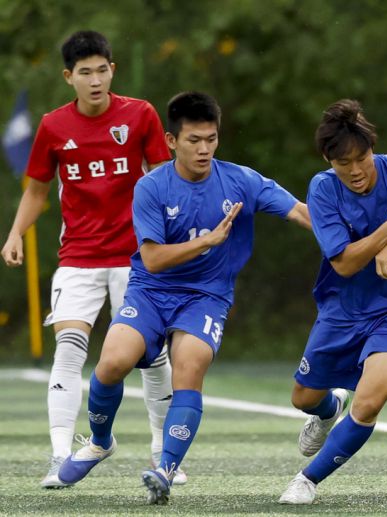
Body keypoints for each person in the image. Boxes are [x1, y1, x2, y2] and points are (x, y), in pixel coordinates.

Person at [56, 91, 311, 505]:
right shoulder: (151, 187)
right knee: (112, 363)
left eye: (211, 138)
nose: (205, 149)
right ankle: (101, 442)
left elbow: (301, 212)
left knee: (189, 368)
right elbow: (153, 259)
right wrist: (208, 241)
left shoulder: (241, 180)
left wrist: (356, 245)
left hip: (206, 297)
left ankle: (166, 470)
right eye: (194, 140)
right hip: (152, 291)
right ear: (172, 142)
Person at [0, 30, 184, 488]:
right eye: (85, 72)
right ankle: (60, 454)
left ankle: (164, 456)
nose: (95, 80)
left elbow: (163, 178)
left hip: (135, 259)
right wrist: (15, 233)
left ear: (112, 70)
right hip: (78, 256)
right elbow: (38, 191)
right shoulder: (53, 126)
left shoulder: (139, 114)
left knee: (150, 355)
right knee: (69, 348)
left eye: (102, 70)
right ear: (69, 77)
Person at [277, 99, 387, 505]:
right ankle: (327, 411)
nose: (357, 171)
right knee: (303, 398)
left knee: (369, 401)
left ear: (372, 150)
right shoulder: (323, 188)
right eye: (345, 164)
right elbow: (343, 263)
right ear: (330, 161)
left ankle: (307, 480)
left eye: (362, 158)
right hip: (343, 309)